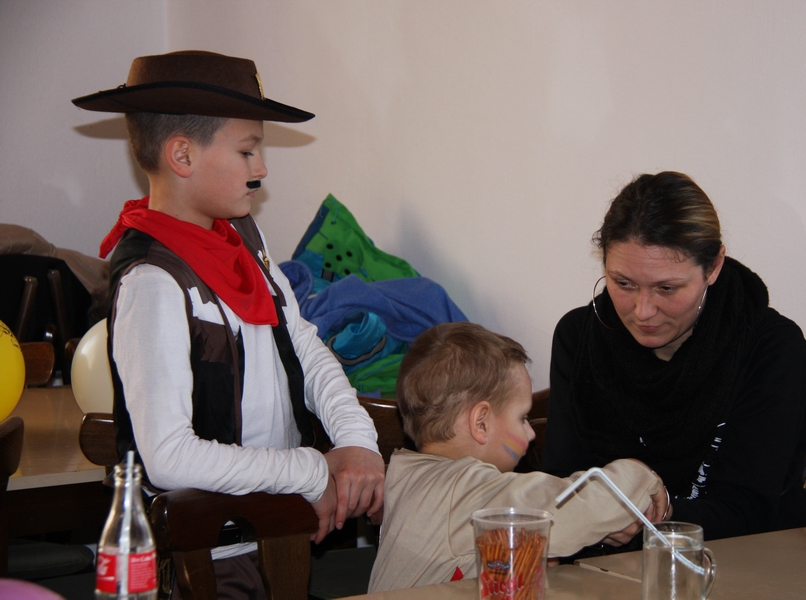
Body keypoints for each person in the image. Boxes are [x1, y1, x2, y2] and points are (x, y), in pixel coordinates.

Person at [72, 51, 385, 598]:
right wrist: (311, 471)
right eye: (247, 150)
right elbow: (169, 457)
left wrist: (356, 441)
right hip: (209, 553)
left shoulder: (242, 237)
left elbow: (301, 342)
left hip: (276, 532)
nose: (261, 167)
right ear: (182, 155)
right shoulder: (153, 282)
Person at [542, 171, 806, 555]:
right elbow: (562, 484)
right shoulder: (579, 336)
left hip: (745, 562)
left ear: (714, 267)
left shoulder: (771, 349)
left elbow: (749, 509)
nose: (643, 310)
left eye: (667, 288)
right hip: (606, 568)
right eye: (623, 283)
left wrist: (655, 515)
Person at [368, 321, 668, 592]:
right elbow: (582, 506)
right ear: (481, 423)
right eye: (523, 418)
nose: (531, 433)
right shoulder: (466, 489)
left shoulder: (405, 475)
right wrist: (639, 474)